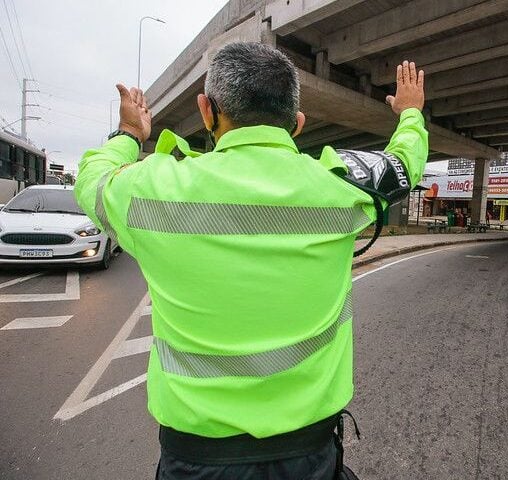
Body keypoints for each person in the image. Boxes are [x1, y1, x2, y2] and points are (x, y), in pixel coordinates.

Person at [74, 42, 428, 479]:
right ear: (297, 124)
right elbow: (403, 163)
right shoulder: (340, 188)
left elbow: (92, 178)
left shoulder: (152, 190)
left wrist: (129, 134)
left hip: (196, 462)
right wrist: (410, 113)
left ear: (207, 111)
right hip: (308, 457)